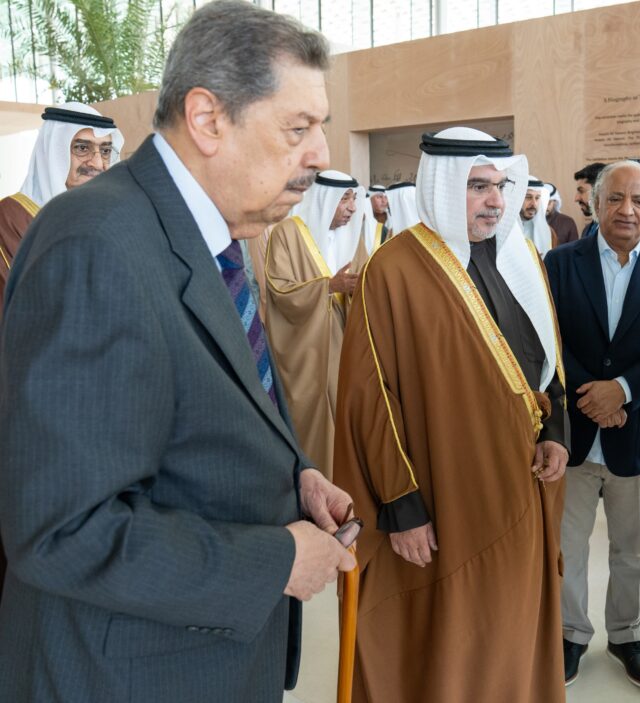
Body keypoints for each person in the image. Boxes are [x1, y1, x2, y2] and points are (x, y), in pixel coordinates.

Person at [0, 3, 357, 701]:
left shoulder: (209, 235)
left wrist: (295, 475)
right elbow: (62, 529)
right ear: (207, 118)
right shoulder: (97, 245)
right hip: (129, 675)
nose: (320, 154)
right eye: (298, 128)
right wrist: (276, 560)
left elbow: (199, 416)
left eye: (321, 128)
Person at [332, 127, 568, 702]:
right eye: (477, 186)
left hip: (521, 482)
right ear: (441, 185)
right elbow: (372, 397)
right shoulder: (394, 269)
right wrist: (401, 505)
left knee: (511, 617)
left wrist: (556, 431)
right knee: (454, 627)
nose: (495, 201)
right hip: (442, 493)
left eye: (500, 186)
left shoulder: (522, 257)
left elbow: (548, 361)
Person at [545, 160, 640, 690]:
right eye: (615, 198)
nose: (626, 210)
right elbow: (547, 337)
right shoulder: (559, 263)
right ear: (595, 204)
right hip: (573, 438)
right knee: (567, 548)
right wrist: (593, 396)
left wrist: (624, 391)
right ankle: (570, 635)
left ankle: (628, 637)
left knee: (634, 550)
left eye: (638, 200)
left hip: (638, 433)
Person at [263, 171, 364, 481]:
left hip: (346, 344)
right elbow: (279, 290)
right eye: (344, 199)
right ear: (324, 200)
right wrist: (328, 287)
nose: (351, 208)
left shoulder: (352, 237)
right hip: (310, 349)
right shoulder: (287, 234)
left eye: (353, 199)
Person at [0, 102, 123, 316]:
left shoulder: (111, 217)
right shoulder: (11, 218)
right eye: (82, 148)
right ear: (52, 152)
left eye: (105, 151)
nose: (97, 163)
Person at [521, 175, 557, 256]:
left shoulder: (550, 233)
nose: (534, 204)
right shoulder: (505, 233)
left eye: (537, 198)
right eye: (528, 197)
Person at [574, 162, 606, 238]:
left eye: (581, 191)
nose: (576, 198)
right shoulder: (587, 230)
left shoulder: (617, 231)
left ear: (599, 191)